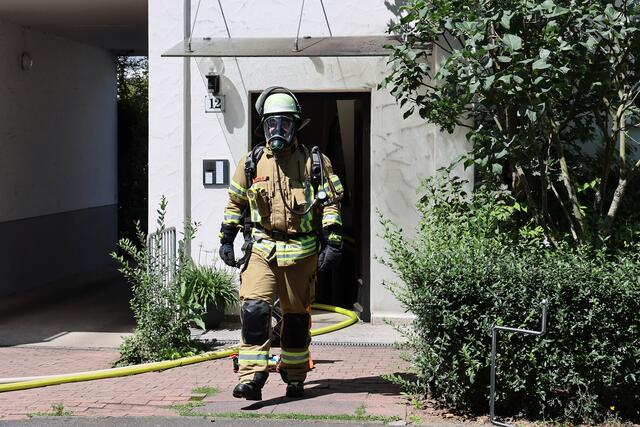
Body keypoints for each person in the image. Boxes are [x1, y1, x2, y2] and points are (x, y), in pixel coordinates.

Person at [218, 87, 344, 400]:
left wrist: (333, 242)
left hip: (301, 252)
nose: (277, 130)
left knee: (296, 320)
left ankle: (295, 376)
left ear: (295, 125)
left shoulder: (315, 162)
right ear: (263, 126)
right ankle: (252, 377)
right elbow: (235, 202)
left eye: (284, 123)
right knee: (255, 310)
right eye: (271, 123)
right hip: (262, 248)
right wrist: (227, 238)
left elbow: (330, 204)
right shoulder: (251, 162)